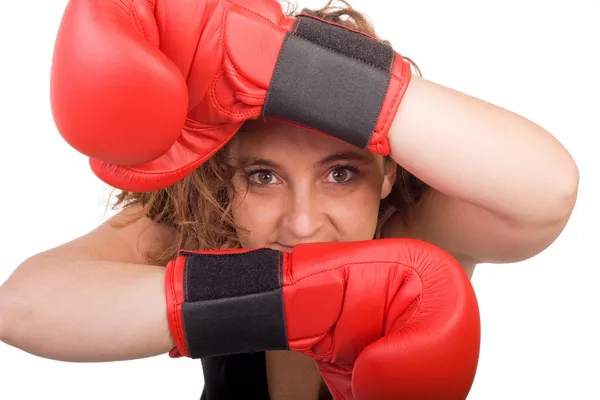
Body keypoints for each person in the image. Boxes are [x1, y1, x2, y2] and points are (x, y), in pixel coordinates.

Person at [0, 0, 579, 399]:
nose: (302, 225)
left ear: (387, 174)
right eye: (263, 177)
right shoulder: (213, 224)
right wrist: (295, 300)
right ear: (225, 176)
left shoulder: (419, 231)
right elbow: (20, 306)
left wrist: (278, 63)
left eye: (341, 174)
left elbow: (546, 192)